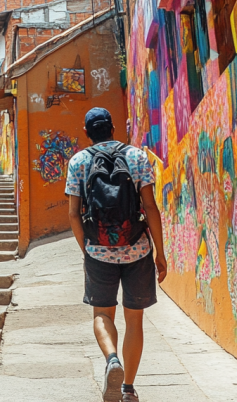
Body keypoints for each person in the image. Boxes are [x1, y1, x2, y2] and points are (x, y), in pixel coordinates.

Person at [65, 107, 167, 402]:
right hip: (137, 249)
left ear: (87, 132)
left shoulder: (79, 161)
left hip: (98, 251)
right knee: (135, 320)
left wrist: (87, 248)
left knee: (101, 314)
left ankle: (112, 361)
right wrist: (160, 252)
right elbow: (150, 207)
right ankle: (128, 389)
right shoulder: (136, 156)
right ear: (113, 128)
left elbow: (73, 214)